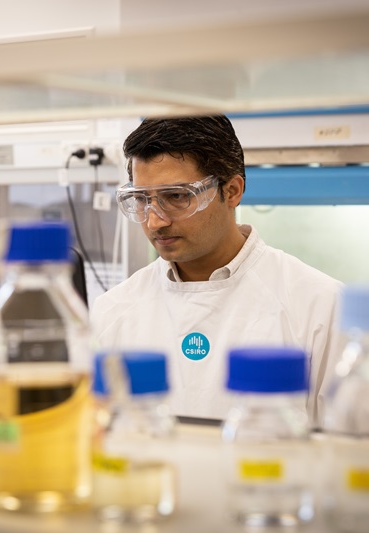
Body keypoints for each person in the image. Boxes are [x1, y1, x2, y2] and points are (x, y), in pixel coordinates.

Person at [89, 114, 342, 424]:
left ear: (232, 190)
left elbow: (358, 450)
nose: (155, 221)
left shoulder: (320, 305)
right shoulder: (113, 311)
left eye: (177, 197)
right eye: (142, 199)